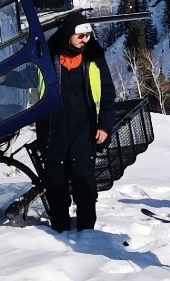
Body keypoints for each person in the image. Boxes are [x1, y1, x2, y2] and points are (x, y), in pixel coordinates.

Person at [36, 21, 115, 232]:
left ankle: (88, 232)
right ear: (68, 34)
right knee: (55, 184)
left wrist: (105, 126)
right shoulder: (47, 58)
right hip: (53, 131)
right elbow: (28, 83)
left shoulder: (94, 58)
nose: (85, 40)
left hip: (84, 130)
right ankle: (59, 231)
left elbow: (108, 94)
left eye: (87, 35)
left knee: (85, 183)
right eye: (80, 35)